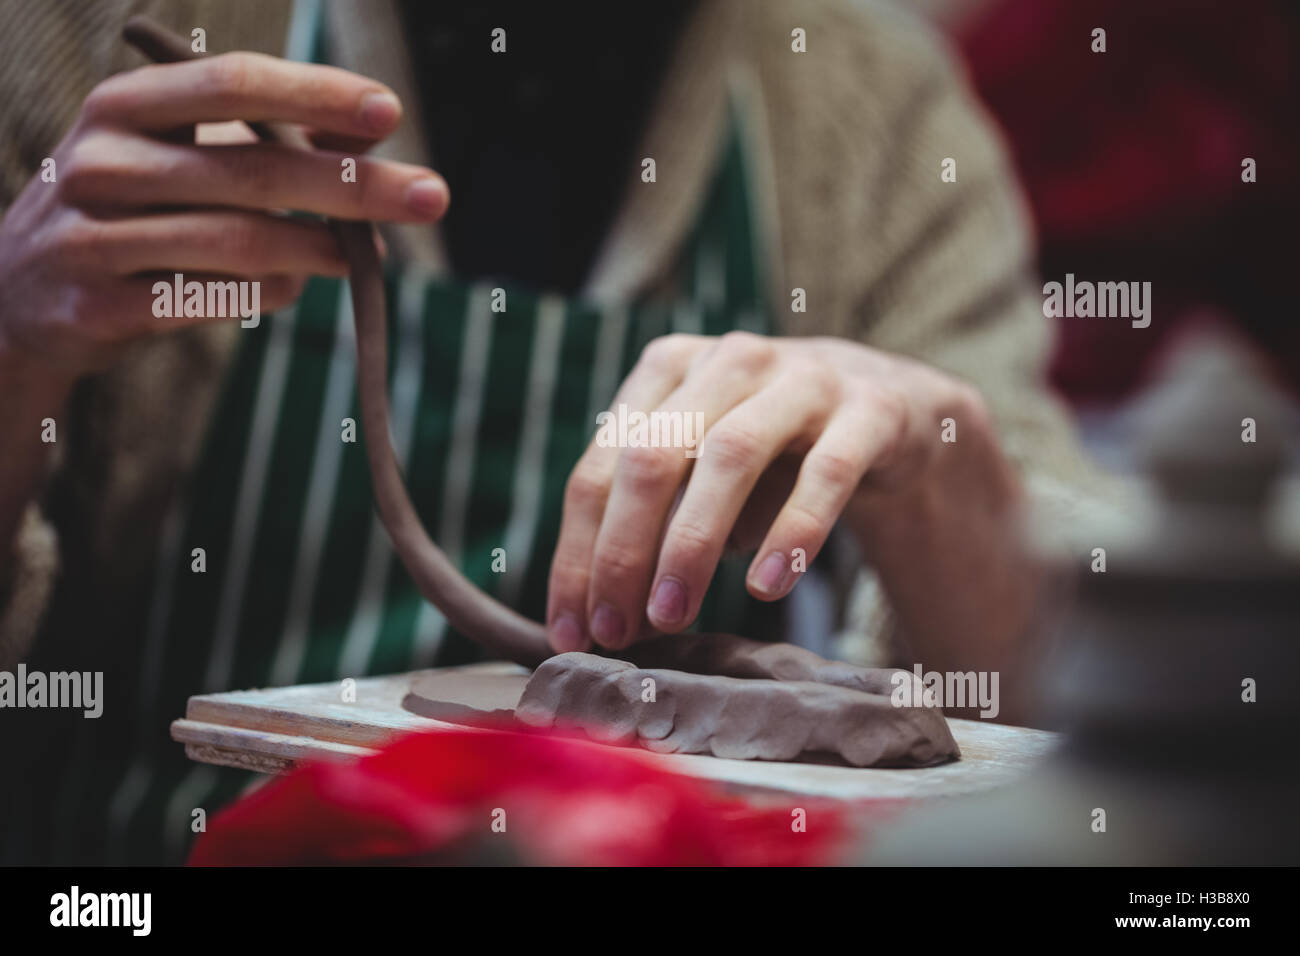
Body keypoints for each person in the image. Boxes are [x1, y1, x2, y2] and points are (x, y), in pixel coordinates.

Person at [0, 0, 1111, 864]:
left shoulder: (880, 112)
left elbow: (1063, 689)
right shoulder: (80, 36)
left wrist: (931, 472)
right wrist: (18, 350)